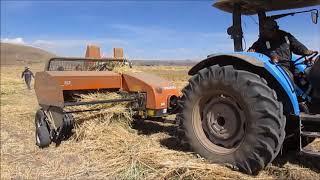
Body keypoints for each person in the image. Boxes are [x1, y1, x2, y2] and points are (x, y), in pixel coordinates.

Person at [248, 18, 317, 71]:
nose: (264, 33)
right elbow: (253, 49)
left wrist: (305, 51)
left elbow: (297, 46)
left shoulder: (286, 37)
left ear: (274, 30)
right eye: (263, 31)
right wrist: (251, 50)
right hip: (275, 67)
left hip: (289, 65)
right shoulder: (262, 40)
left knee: (304, 76)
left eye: (266, 31)